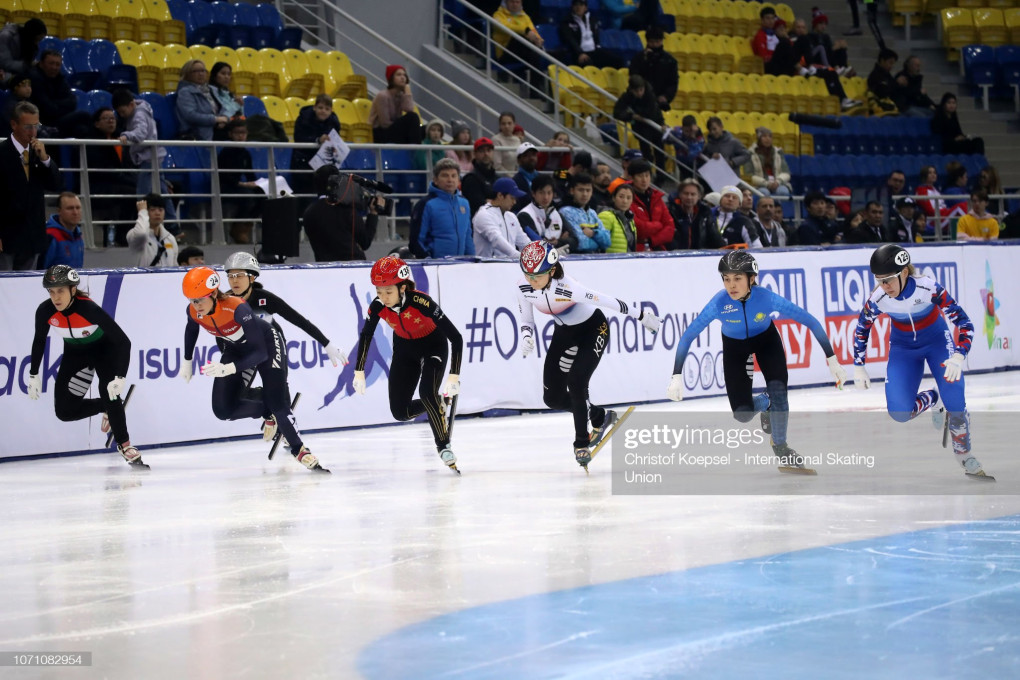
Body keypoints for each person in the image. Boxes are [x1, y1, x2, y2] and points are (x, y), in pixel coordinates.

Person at [667, 251, 846, 471]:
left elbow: (811, 322)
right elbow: (688, 337)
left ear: (752, 278)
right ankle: (766, 403)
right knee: (742, 414)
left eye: (737, 278)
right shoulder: (719, 303)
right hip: (735, 348)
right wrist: (676, 375)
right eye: (726, 279)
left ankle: (781, 447)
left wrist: (832, 359)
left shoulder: (766, 297)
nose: (731, 285)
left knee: (779, 390)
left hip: (766, 341)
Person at [517, 240, 660, 468]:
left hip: (593, 330)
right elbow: (526, 319)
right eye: (526, 275)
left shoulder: (569, 288)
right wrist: (526, 336)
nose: (531, 281)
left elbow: (609, 301)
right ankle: (599, 416)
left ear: (552, 271)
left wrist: (641, 316)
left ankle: (581, 443)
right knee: (552, 398)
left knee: (576, 383)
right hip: (564, 333)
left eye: (536, 276)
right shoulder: (523, 287)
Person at [853, 245, 989, 478]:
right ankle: (935, 397)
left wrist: (958, 355)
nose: (884, 287)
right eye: (879, 280)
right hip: (903, 348)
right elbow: (862, 327)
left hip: (937, 342)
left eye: (888, 280)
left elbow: (965, 324)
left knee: (956, 401)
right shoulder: (879, 297)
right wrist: (859, 365)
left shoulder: (928, 288)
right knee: (899, 413)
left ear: (904, 272)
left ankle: (964, 455)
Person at [181, 266, 328, 471]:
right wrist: (187, 360)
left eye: (199, 299)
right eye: (191, 300)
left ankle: (299, 449)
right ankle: (266, 410)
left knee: (277, 402)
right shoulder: (194, 311)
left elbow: (259, 353)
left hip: (265, 344)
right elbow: (191, 328)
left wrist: (229, 368)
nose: (195, 306)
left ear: (214, 293)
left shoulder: (237, 307)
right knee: (223, 410)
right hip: (236, 348)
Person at [352, 255, 463, 472]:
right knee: (400, 412)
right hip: (405, 349)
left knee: (426, 393)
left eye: (388, 291)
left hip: (433, 346)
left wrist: (454, 375)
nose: (383, 297)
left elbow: (456, 337)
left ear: (402, 287)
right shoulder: (377, 307)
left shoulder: (422, 302)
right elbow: (366, 335)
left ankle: (443, 446)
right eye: (378, 291)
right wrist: (359, 371)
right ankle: (440, 403)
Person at [28, 265, 144, 467]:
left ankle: (125, 445)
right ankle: (105, 407)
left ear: (73, 290)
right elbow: (39, 340)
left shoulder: (88, 309)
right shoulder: (45, 310)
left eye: (61, 291)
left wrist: (120, 377)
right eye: (51, 291)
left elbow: (123, 341)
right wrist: (33, 374)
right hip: (75, 352)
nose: (56, 297)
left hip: (103, 349)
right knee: (64, 412)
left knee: (109, 391)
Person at [222, 251, 348, 384]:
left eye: (240, 275)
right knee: (233, 394)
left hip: (271, 345)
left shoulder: (265, 299)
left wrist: (326, 344)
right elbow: (218, 332)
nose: (234, 280)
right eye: (230, 276)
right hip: (246, 348)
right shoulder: (224, 303)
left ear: (252, 278)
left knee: (276, 394)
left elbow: (299, 320)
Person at [0, 101, 61, 271]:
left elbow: (55, 184)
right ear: (14, 124)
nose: (33, 132)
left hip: (32, 237)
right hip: (6, 237)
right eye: (28, 126)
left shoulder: (38, 153)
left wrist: (45, 159)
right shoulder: (2, 152)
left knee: (25, 290)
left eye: (36, 126)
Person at [113, 89, 179, 230]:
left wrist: (126, 135)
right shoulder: (141, 112)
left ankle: (142, 225)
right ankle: (173, 225)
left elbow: (141, 133)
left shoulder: (139, 115)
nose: (122, 115)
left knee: (142, 194)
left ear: (131, 105)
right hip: (154, 156)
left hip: (148, 158)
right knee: (162, 192)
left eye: (123, 112)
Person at [302, 166, 381, 261]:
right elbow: (365, 242)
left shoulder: (308, 213)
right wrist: (373, 213)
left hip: (324, 269)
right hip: (352, 268)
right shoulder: (345, 209)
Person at [87, 107, 137, 241]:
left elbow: (130, 166)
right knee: (133, 192)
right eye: (106, 118)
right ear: (97, 123)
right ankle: (123, 235)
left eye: (113, 118)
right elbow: (102, 171)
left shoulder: (122, 139)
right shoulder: (91, 142)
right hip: (98, 185)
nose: (111, 121)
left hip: (120, 181)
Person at [412, 158, 474, 258]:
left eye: (453, 176)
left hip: (461, 265)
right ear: (435, 180)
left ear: (458, 181)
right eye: (445, 176)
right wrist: (429, 262)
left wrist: (472, 260)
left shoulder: (464, 203)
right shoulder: (426, 204)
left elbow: (467, 237)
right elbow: (416, 240)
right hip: (435, 265)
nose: (450, 180)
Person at [217, 119, 263, 244]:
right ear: (230, 134)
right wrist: (242, 184)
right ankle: (238, 228)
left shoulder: (245, 152)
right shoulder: (226, 153)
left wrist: (257, 183)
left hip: (238, 185)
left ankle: (246, 226)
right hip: (225, 186)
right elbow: (224, 176)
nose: (241, 136)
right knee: (247, 197)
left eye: (243, 132)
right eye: (237, 133)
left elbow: (250, 174)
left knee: (263, 194)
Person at [30, 50, 91, 138]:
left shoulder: (60, 79)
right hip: (44, 122)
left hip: (59, 119)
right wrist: (60, 105)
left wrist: (54, 104)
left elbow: (72, 103)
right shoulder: (35, 78)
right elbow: (47, 109)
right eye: (51, 63)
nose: (54, 67)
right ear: (41, 64)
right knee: (84, 116)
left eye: (57, 64)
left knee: (81, 129)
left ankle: (88, 152)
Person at [613, 75, 666, 175]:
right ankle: (647, 174)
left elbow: (651, 113)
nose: (639, 93)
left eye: (641, 90)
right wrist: (632, 116)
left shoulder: (650, 94)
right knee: (646, 154)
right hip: (641, 129)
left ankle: (660, 177)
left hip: (655, 125)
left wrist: (638, 114)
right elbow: (617, 112)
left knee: (660, 153)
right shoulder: (627, 96)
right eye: (636, 91)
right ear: (631, 90)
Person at [493, 0, 546, 99]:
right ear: (506, 2)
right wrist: (525, 31)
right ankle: (537, 89)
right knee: (519, 37)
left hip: (523, 52)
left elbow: (533, 30)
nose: (514, 4)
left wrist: (538, 39)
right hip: (505, 53)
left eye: (517, 2)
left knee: (535, 54)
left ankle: (535, 91)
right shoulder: (498, 15)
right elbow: (504, 27)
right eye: (512, 2)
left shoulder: (525, 17)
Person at [290, 94, 341, 198]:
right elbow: (298, 138)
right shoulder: (303, 119)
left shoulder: (334, 122)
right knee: (303, 196)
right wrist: (317, 140)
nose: (323, 111)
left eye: (327, 109)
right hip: (302, 163)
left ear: (331, 110)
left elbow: (336, 140)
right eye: (320, 108)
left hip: (323, 165)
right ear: (314, 107)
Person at [472, 176, 531, 257]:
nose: (514, 202)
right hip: (487, 267)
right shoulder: (483, 215)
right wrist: (517, 255)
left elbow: (524, 242)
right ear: (500, 195)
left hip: (509, 266)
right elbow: (496, 239)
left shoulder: (511, 216)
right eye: (512, 198)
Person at [559, 0, 624, 68]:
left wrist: (597, 47)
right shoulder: (567, 22)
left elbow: (596, 35)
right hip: (578, 53)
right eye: (576, 5)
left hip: (594, 51)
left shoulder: (591, 20)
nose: (578, 7)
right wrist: (580, 53)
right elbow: (570, 40)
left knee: (618, 61)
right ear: (572, 7)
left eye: (581, 5)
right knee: (587, 63)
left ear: (585, 8)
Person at [175, 59, 229, 141]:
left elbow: (226, 107)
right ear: (187, 74)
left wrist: (225, 118)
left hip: (219, 128)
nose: (201, 74)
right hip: (199, 133)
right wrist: (215, 119)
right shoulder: (185, 92)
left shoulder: (212, 89)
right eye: (196, 71)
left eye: (203, 71)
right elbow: (190, 115)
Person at [628, 24, 677, 111]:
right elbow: (633, 77)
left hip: (659, 102)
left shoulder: (670, 61)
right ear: (647, 41)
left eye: (657, 42)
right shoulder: (639, 58)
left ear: (662, 41)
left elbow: (673, 82)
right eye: (652, 42)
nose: (654, 45)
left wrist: (666, 96)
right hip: (639, 100)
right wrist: (646, 61)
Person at [369, 65, 422, 145]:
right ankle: (416, 152)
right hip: (380, 134)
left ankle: (415, 149)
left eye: (404, 75)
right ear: (391, 78)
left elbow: (409, 109)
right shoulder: (383, 96)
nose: (402, 77)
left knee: (425, 129)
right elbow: (384, 124)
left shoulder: (401, 96)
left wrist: (407, 93)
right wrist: (404, 129)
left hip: (392, 130)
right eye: (399, 75)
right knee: (412, 117)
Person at [516, 174, 574, 248]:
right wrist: (559, 241)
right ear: (533, 193)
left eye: (549, 193)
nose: (546, 197)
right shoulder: (524, 215)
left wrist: (558, 242)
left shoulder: (557, 214)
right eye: (541, 193)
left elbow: (574, 241)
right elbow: (536, 243)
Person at [558, 173, 611, 253]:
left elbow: (607, 241)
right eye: (581, 190)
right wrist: (599, 243)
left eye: (588, 190)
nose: (585, 194)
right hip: (575, 259)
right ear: (572, 191)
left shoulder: (592, 213)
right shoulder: (565, 212)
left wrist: (593, 233)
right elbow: (580, 243)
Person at [627, 159, 673, 250]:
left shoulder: (656, 197)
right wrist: (658, 225)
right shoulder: (626, 196)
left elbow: (670, 227)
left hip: (658, 248)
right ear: (632, 178)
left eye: (647, 175)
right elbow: (638, 228)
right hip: (636, 250)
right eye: (640, 176)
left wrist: (651, 240)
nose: (644, 180)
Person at [126, 194, 178, 267]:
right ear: (145, 212)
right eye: (152, 210)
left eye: (161, 210)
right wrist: (142, 211)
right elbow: (142, 233)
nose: (157, 213)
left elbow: (175, 265)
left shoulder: (170, 238)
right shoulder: (133, 235)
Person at [668, 179, 720, 249]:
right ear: (680, 194)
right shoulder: (670, 210)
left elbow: (714, 236)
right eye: (686, 193)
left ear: (699, 196)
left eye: (693, 194)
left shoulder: (705, 212)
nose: (689, 197)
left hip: (700, 255)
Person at [745, 127, 792, 197]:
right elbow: (749, 175)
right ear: (759, 138)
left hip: (778, 183)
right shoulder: (750, 153)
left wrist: (778, 182)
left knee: (783, 191)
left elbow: (786, 172)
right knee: (764, 193)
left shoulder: (778, 152)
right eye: (764, 136)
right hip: (759, 185)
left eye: (770, 136)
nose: (768, 139)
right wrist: (766, 184)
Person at [42, 192, 85, 269]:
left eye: (78, 208)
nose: (75, 212)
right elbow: (39, 271)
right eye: (70, 208)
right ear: (59, 211)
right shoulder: (50, 236)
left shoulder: (78, 235)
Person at [460, 137, 498, 217]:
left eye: (489, 150)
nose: (486, 154)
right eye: (482, 151)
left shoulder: (497, 177)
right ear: (475, 154)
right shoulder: (470, 178)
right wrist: (497, 202)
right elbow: (479, 203)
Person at [599, 178, 637, 252]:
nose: (625, 201)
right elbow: (600, 243)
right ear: (614, 198)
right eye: (621, 197)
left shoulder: (630, 219)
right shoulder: (606, 216)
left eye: (629, 198)